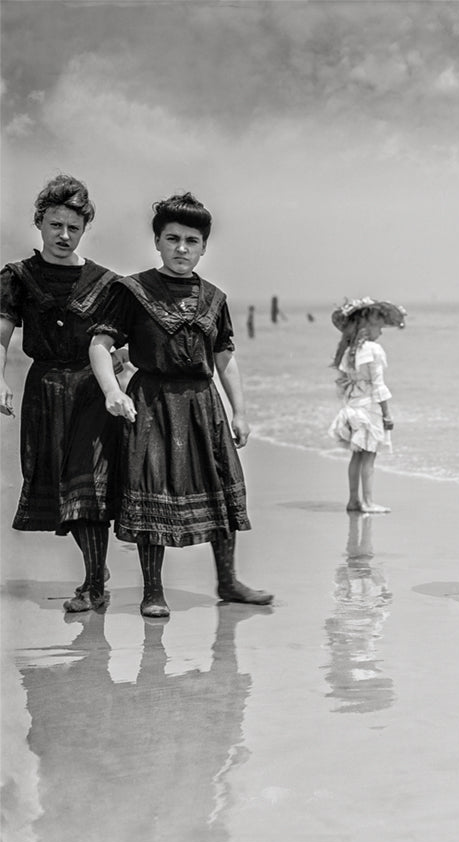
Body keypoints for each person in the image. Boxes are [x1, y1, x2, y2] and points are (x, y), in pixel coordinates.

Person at [88, 192, 272, 617]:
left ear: (204, 246)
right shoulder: (132, 290)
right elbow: (101, 343)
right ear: (157, 241)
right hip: (151, 402)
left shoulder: (214, 298)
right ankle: (153, 591)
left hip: (203, 404)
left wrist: (240, 412)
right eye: (172, 238)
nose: (182, 249)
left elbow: (225, 358)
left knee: (223, 489)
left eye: (192, 240)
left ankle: (228, 581)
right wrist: (112, 392)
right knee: (151, 490)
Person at [0, 174, 122, 612]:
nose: (64, 235)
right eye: (55, 225)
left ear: (85, 227)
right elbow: (1, 336)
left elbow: (122, 343)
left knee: (88, 486)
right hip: (45, 390)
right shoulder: (17, 277)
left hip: (91, 390)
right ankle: (96, 566)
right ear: (39, 223)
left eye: (73, 227)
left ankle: (94, 586)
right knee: (56, 487)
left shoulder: (106, 283)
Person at [327, 297, 406, 513]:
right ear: (368, 326)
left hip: (352, 407)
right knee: (369, 459)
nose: (381, 331)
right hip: (369, 409)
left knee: (356, 457)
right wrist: (387, 414)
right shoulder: (373, 349)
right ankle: (369, 502)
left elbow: (344, 382)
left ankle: (353, 500)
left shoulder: (349, 349)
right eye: (379, 326)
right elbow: (379, 386)